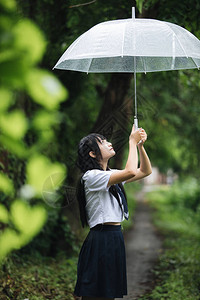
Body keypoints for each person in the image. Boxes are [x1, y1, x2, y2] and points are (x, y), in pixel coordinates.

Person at [73, 124, 152, 300]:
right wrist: (132, 141)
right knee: (95, 294)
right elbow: (131, 171)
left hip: (114, 237)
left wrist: (140, 146)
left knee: (108, 294)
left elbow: (145, 171)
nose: (109, 143)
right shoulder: (91, 176)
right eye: (102, 142)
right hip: (101, 239)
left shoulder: (110, 175)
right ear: (93, 153)